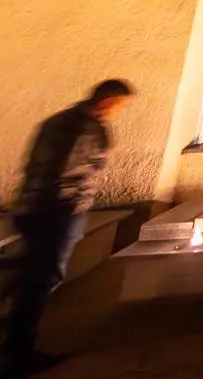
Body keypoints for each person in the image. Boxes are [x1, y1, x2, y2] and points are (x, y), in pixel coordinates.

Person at [2, 80, 135, 377]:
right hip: (55, 211)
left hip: (36, 207)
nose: (120, 111)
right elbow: (64, 174)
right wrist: (68, 206)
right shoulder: (82, 129)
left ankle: (14, 334)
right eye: (121, 105)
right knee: (42, 278)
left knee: (33, 272)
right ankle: (17, 355)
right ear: (107, 101)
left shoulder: (60, 121)